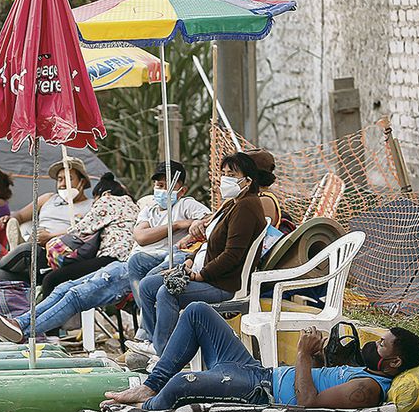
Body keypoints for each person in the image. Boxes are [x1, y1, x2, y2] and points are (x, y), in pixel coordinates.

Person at [104, 302, 419, 411]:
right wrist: (318, 355)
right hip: (256, 370)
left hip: (260, 390)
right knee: (197, 312)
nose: (374, 345)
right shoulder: (363, 372)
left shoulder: (368, 390)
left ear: (394, 363)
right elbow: (314, 379)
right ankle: (150, 386)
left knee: (181, 384)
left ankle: (145, 407)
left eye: (383, 345)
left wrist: (302, 355)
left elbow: (306, 404)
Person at [134, 152, 268, 356]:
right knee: (147, 285)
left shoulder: (246, 207)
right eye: (223, 173)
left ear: (247, 181)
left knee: (167, 292)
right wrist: (188, 261)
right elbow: (209, 244)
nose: (225, 179)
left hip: (223, 284)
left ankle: (165, 354)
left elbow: (232, 255)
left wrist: (200, 275)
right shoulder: (232, 204)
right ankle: (157, 343)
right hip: (203, 272)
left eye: (231, 174)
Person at [123, 160, 211, 341]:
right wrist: (178, 224)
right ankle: (149, 328)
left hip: (178, 255)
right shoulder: (149, 210)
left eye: (166, 186)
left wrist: (194, 225)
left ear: (182, 190)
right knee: (135, 262)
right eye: (158, 185)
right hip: (150, 256)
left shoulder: (187, 204)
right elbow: (141, 237)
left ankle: (148, 335)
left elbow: (210, 220)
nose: (161, 190)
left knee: (149, 282)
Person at [0, 157, 94, 284]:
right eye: (60, 179)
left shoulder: (92, 206)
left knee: (28, 250)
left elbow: (85, 233)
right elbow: (20, 216)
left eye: (69, 178)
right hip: (37, 252)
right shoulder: (48, 198)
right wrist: (10, 219)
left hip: (62, 256)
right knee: (1, 275)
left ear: (82, 182)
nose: (62, 184)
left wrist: (50, 237)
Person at [38, 172, 139, 298]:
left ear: (103, 193)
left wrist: (52, 242)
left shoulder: (107, 200)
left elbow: (80, 230)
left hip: (113, 259)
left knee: (51, 280)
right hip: (134, 262)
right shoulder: (135, 206)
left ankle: (45, 317)